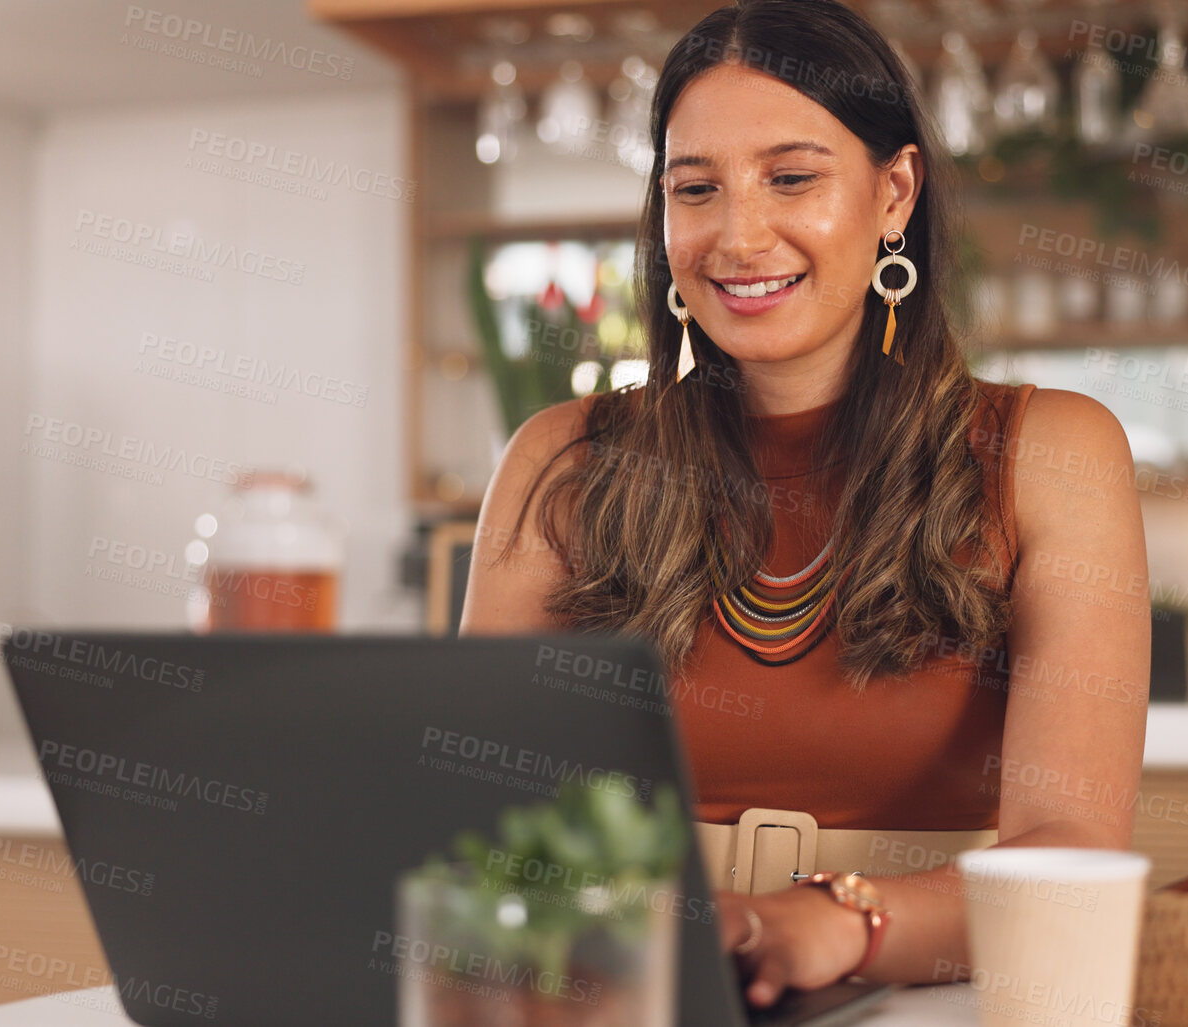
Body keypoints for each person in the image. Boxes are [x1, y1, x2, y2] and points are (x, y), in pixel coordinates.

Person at [461, 0, 1149, 1010]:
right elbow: (475, 814)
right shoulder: (560, 460)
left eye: (792, 178)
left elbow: (1071, 856)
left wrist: (835, 920)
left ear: (894, 192)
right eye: (696, 189)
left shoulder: (1052, 452)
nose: (739, 235)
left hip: (921, 995)